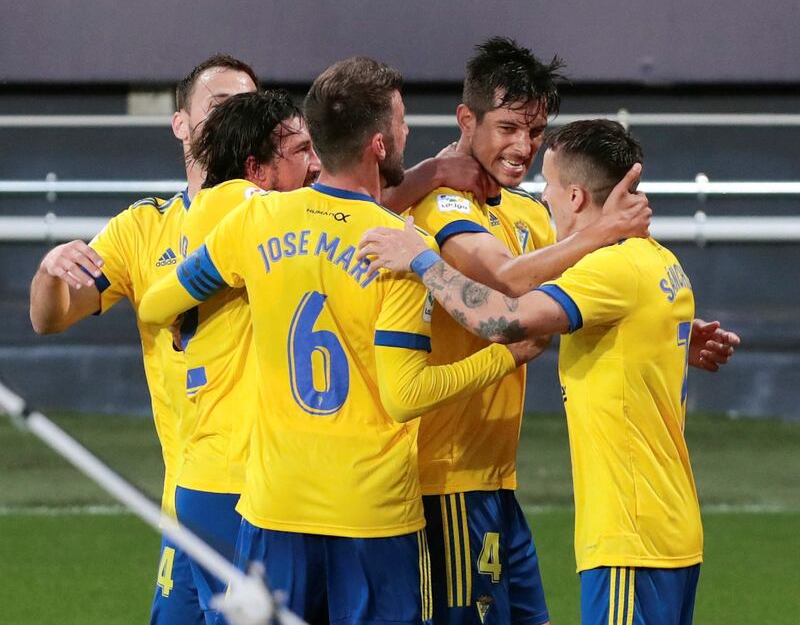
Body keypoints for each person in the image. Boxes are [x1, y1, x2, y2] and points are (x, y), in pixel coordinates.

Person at [138, 56, 545, 625]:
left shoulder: (259, 223)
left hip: (274, 510)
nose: (407, 133)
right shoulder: (398, 247)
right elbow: (405, 394)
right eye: (400, 123)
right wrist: (503, 357)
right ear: (379, 144)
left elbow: (158, 302)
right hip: (370, 515)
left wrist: (197, 329)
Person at [358, 119, 741, 625]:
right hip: (669, 529)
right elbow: (629, 318)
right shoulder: (659, 261)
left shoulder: (609, 271)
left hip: (631, 536)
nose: (544, 198)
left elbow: (500, 319)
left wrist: (422, 259)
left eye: (550, 187)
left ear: (578, 197)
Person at [395, 37, 651, 625]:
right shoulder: (439, 202)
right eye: (508, 127)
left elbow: (582, 296)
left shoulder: (525, 210)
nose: (523, 147)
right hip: (446, 478)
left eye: (534, 132)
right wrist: (602, 228)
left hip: (494, 479)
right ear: (467, 118)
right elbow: (507, 282)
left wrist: (676, 334)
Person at [28, 54, 259, 625]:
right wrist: (49, 270)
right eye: (221, 107)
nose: (235, 120)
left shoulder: (278, 216)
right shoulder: (144, 228)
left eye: (246, 108)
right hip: (187, 498)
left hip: (270, 498)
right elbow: (51, 319)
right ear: (180, 123)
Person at [167, 88, 320, 623]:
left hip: (215, 472)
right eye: (300, 151)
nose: (315, 164)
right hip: (237, 479)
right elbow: (334, 211)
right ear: (255, 169)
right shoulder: (247, 207)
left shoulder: (212, 207)